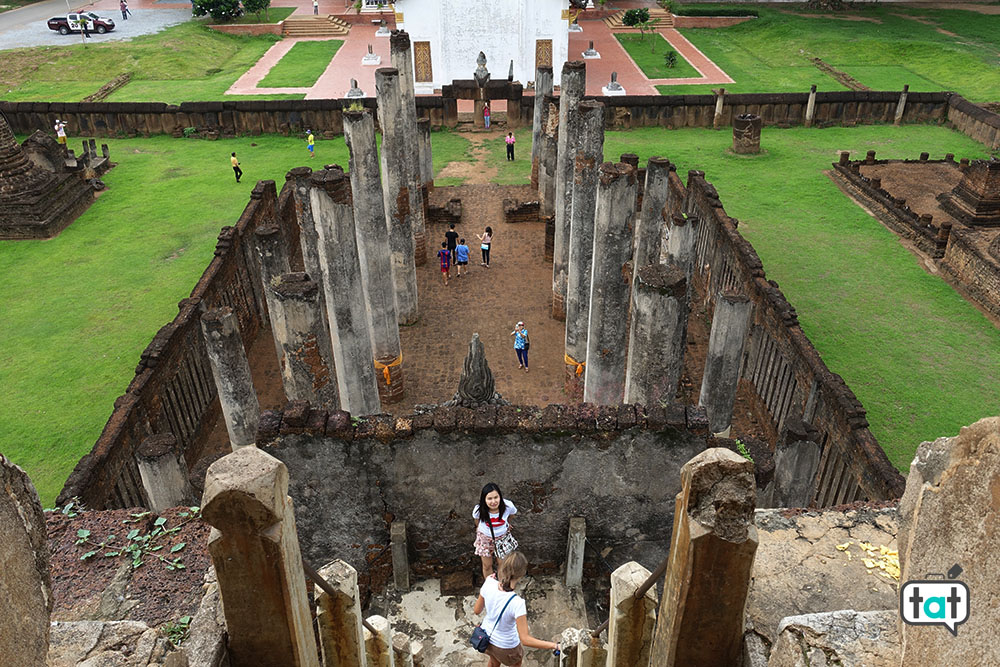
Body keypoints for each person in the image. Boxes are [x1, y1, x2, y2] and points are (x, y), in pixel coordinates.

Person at [473, 552, 560, 666]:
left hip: (485, 638)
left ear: (502, 568)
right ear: (521, 575)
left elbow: (476, 610)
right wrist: (554, 645)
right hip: (506, 647)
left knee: (494, 661)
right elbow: (525, 639)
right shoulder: (517, 603)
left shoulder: (489, 582)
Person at [473, 483, 517, 581]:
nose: (493, 501)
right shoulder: (479, 510)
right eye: (489, 499)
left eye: (496, 497)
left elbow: (512, 515)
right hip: (485, 539)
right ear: (484, 499)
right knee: (487, 565)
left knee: (502, 565)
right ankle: (490, 587)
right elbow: (477, 520)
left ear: (500, 497)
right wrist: (478, 528)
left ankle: (500, 586)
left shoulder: (508, 506)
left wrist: (507, 524)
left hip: (502, 538)